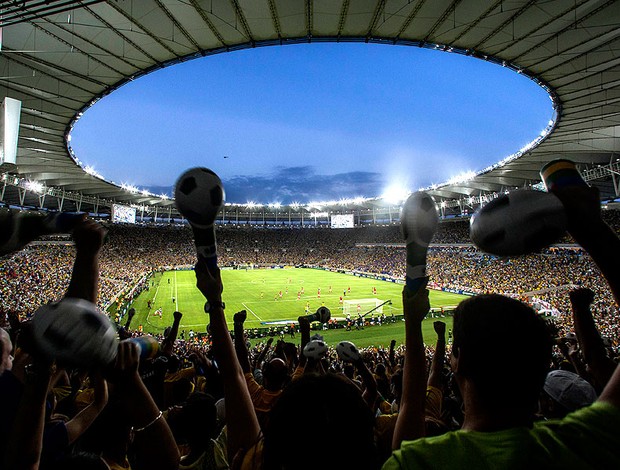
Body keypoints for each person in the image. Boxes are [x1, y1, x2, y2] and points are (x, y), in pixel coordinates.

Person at [385, 185, 620, 468]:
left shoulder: (418, 461)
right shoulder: (584, 444)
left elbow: (411, 404)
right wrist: (592, 229)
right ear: (542, 365)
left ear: (456, 359)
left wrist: (412, 322)